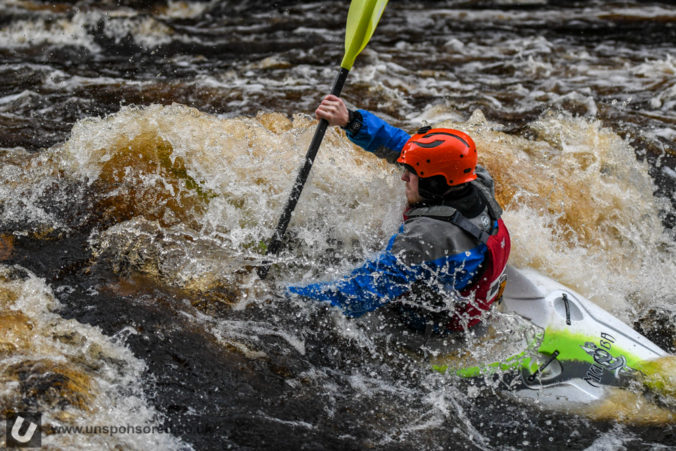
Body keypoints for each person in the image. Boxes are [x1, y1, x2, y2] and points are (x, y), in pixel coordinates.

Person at [287, 95, 511, 334]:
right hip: (471, 289)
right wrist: (351, 120)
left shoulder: (427, 236)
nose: (404, 177)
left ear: (434, 183)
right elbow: (402, 146)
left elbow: (356, 294)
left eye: (411, 173)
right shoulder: (475, 180)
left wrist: (284, 297)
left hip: (439, 330)